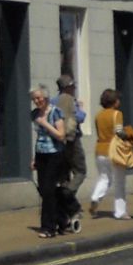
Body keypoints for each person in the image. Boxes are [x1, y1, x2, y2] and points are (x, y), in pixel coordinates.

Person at [90, 88, 133, 219]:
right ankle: (120, 212)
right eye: (118, 99)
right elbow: (119, 132)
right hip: (114, 150)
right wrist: (129, 135)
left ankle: (95, 197)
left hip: (100, 149)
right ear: (114, 102)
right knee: (119, 182)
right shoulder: (117, 114)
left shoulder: (98, 115)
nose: (119, 102)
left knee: (104, 178)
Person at [31, 86, 71, 236]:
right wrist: (34, 158)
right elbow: (38, 137)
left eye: (39, 98)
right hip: (41, 154)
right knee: (44, 190)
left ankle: (48, 228)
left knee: (48, 190)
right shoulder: (35, 114)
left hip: (55, 154)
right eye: (34, 99)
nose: (37, 101)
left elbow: (61, 135)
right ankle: (62, 219)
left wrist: (45, 124)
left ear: (46, 98)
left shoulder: (55, 112)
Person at [55, 76, 87, 225]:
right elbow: (80, 117)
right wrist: (80, 108)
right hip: (73, 141)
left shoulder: (53, 101)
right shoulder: (71, 100)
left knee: (64, 176)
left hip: (58, 142)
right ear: (68, 87)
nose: (74, 89)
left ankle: (64, 211)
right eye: (73, 87)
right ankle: (67, 196)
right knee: (80, 171)